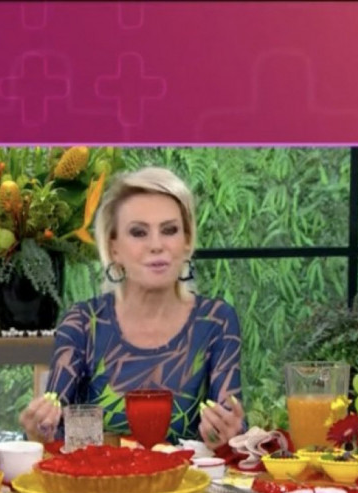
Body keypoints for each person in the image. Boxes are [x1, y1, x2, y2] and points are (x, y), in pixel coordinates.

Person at [19, 167, 245, 450]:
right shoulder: (83, 323)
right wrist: (38, 431)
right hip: (97, 477)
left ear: (187, 241)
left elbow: (229, 431)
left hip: (186, 478)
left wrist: (227, 435)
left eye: (170, 230)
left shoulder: (216, 321)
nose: (156, 245)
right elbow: (53, 429)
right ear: (114, 247)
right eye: (139, 232)